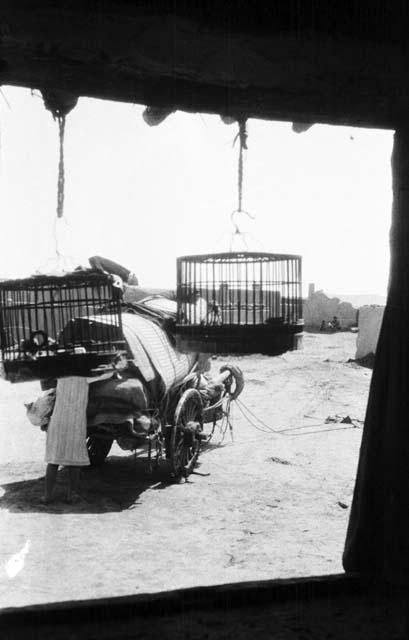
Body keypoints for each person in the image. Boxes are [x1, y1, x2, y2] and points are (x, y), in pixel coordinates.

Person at [43, 376, 90, 503]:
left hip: (58, 421)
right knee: (74, 462)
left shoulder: (61, 374)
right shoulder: (87, 376)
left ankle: (47, 496)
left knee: (53, 460)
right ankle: (72, 495)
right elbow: (105, 374)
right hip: (75, 423)